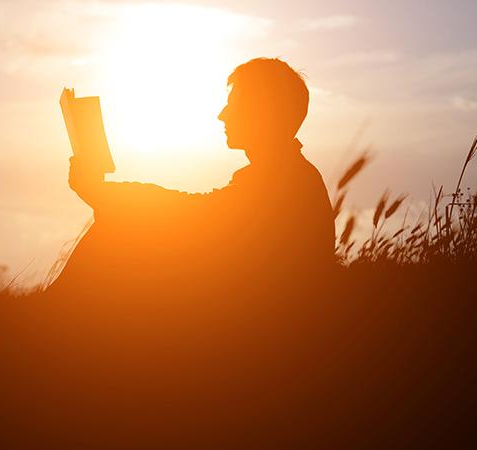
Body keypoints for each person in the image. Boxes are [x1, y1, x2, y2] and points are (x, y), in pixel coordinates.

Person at [48, 57, 336, 299]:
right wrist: (106, 195)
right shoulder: (288, 173)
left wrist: (104, 194)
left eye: (233, 104)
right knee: (120, 228)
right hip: (257, 307)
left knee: (115, 232)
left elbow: (196, 216)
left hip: (260, 321)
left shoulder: (282, 180)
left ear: (261, 112)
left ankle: (50, 323)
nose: (222, 115)